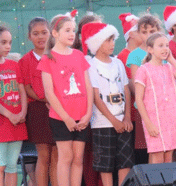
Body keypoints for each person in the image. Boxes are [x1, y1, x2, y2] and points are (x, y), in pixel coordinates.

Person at [37, 13, 93, 186]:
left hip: (82, 116)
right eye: (67, 30)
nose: (72, 34)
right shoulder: (48, 58)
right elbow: (49, 93)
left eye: (73, 31)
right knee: (66, 157)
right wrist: (66, 118)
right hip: (61, 118)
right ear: (55, 33)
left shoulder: (78, 55)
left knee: (78, 158)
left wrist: (88, 113)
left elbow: (88, 86)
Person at [81, 22, 134, 186]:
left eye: (113, 40)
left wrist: (127, 118)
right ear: (96, 43)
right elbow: (96, 97)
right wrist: (114, 121)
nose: (112, 44)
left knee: (125, 161)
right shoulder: (91, 65)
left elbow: (126, 90)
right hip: (102, 123)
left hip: (122, 122)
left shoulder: (118, 63)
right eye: (107, 40)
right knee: (106, 164)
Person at [135, 32, 176, 164]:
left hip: (171, 120)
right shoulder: (143, 70)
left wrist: (171, 60)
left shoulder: (169, 67)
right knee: (157, 156)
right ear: (150, 49)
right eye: (160, 46)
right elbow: (138, 99)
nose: (165, 48)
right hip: (154, 121)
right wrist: (148, 123)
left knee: (168, 157)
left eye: (167, 45)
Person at [18, 17, 58, 186]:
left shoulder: (57, 56)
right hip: (38, 111)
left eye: (44, 33)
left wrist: (56, 103)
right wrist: (45, 99)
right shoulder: (25, 60)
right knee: (44, 155)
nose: (41, 37)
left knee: (57, 155)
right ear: (29, 37)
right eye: (36, 34)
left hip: (58, 110)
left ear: (51, 34)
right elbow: (27, 88)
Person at [126, 14, 162, 164]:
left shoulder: (162, 53)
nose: (148, 35)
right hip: (144, 110)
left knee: (162, 150)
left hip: (162, 109)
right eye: (144, 31)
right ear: (138, 33)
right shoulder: (135, 55)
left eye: (152, 31)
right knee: (144, 151)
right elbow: (135, 84)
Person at [72, 13, 103, 186]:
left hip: (104, 114)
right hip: (83, 113)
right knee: (86, 153)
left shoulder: (109, 57)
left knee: (103, 153)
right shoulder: (76, 55)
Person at [0, 26, 28, 186]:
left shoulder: (14, 65)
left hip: (17, 123)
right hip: (3, 123)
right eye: (3, 42)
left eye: (9, 42)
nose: (8, 46)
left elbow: (21, 90)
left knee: (11, 166)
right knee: (1, 165)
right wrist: (10, 115)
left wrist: (22, 112)